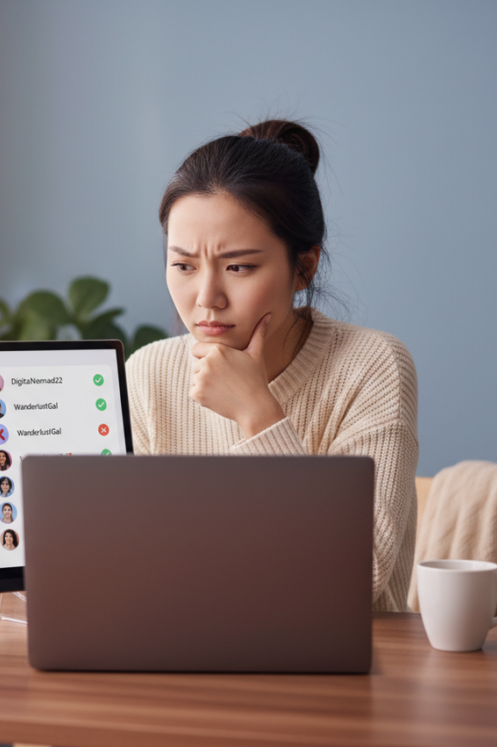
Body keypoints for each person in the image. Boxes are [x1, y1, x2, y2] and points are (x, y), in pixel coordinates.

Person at [126, 119, 418, 613]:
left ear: (304, 266)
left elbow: (353, 579)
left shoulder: (372, 366)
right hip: (183, 658)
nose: (206, 299)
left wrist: (258, 415)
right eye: (183, 265)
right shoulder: (149, 373)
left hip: (339, 675)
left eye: (238, 267)